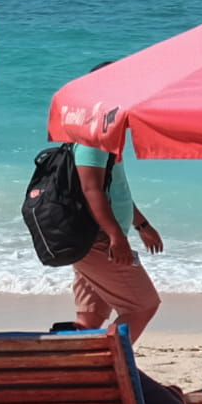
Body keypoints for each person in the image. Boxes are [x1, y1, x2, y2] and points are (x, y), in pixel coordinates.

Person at [69, 139, 166, 341]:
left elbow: (113, 191)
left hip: (92, 239)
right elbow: (91, 191)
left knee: (91, 315)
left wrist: (142, 225)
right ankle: (108, 358)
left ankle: (75, 359)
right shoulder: (93, 144)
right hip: (98, 241)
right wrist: (116, 236)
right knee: (141, 306)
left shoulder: (105, 143)